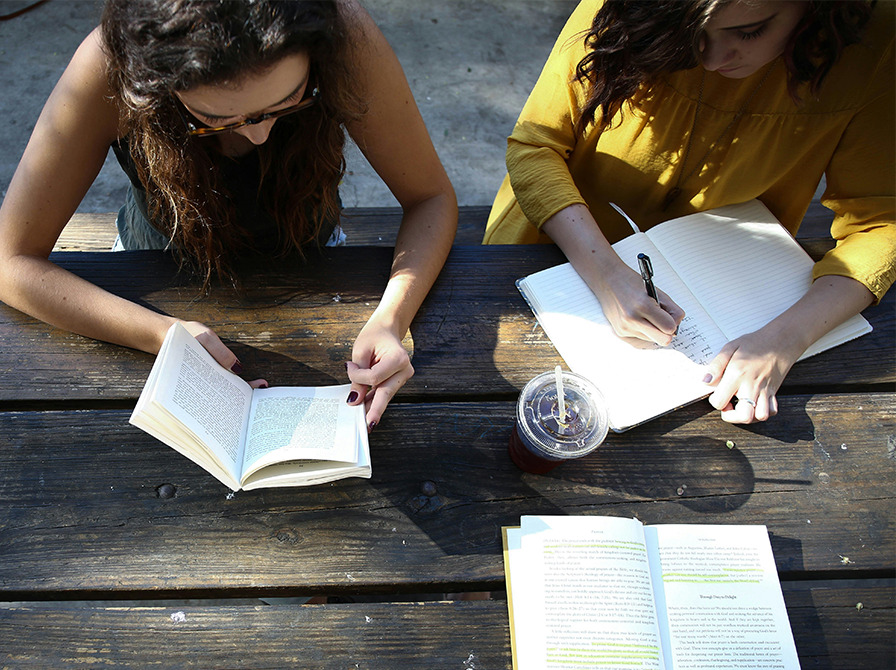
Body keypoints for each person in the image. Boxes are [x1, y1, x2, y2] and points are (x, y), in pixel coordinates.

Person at [0, 0, 458, 431]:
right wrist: (164, 335)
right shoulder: (110, 63)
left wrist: (391, 319)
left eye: (289, 101)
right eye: (217, 117)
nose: (259, 135)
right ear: (153, 82)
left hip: (314, 257)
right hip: (149, 273)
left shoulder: (343, 35)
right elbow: (9, 260)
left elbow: (430, 198)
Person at [485, 0, 894, 424]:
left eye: (750, 31)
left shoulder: (875, 43)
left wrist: (785, 339)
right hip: (549, 245)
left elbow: (883, 223)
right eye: (693, 32)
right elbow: (537, 146)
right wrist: (606, 274)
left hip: (736, 293)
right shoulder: (625, 8)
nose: (714, 59)